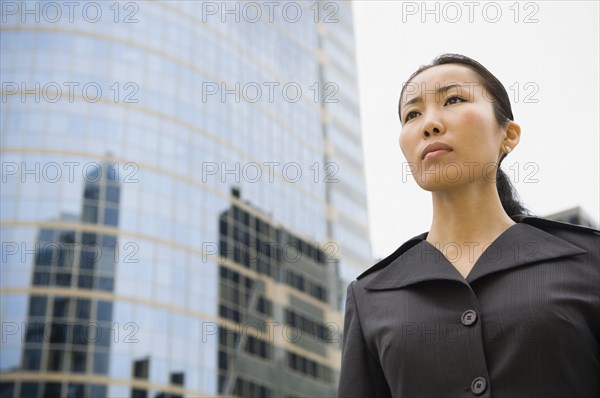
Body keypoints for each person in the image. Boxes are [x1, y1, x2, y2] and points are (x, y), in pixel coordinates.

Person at [337, 53, 600, 398]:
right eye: (412, 114)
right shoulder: (370, 295)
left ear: (508, 135)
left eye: (454, 99)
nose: (429, 123)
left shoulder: (588, 260)